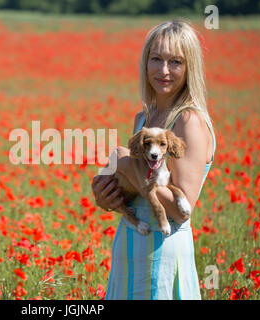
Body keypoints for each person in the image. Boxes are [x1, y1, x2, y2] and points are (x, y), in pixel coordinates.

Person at [91, 19, 216, 300]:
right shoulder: (143, 119)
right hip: (131, 247)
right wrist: (107, 195)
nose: (163, 70)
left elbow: (181, 210)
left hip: (163, 253)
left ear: (190, 67)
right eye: (156, 59)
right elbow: (136, 183)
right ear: (145, 63)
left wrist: (124, 164)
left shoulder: (189, 122)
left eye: (175, 62)